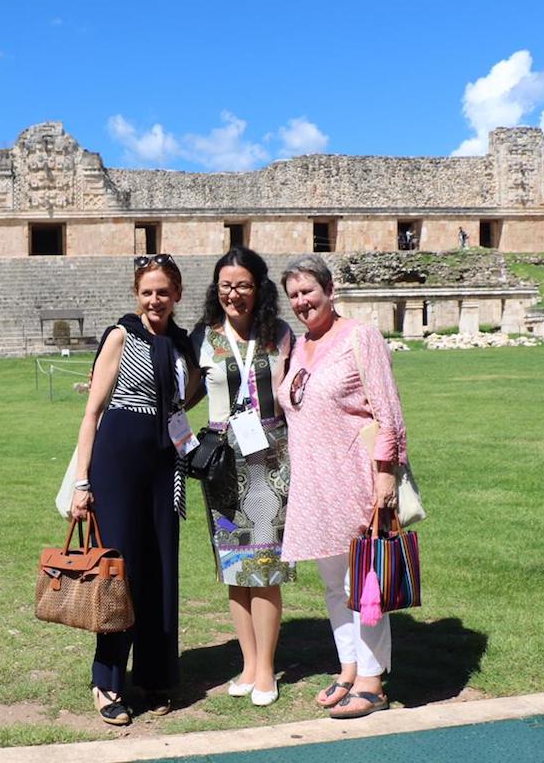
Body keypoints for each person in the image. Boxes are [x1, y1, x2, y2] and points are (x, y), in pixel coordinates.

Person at [277, 254, 408, 720]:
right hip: (314, 482)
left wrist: (386, 474)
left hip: (355, 476)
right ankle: (348, 667)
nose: (301, 302)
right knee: (334, 584)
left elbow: (387, 410)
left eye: (308, 291)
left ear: (330, 290)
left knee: (363, 580)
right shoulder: (297, 347)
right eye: (293, 295)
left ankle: (373, 682)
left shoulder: (360, 337)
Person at [70, 254, 199, 726]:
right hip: (119, 461)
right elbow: (92, 412)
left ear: (177, 294)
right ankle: (107, 680)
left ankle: (155, 674)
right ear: (136, 294)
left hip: (165, 463)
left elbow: (191, 395)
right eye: (147, 291)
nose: (154, 299)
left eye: (163, 291)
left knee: (159, 568)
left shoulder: (183, 344)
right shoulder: (122, 337)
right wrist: (83, 482)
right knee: (118, 572)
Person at [190, 247, 295, 707]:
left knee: (265, 566)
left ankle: (268, 670)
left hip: (271, 463)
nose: (234, 294)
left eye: (243, 285)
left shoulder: (281, 335)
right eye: (226, 286)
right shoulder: (202, 339)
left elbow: (298, 391)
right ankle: (249, 665)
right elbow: (185, 396)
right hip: (222, 468)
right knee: (235, 567)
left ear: (259, 289)